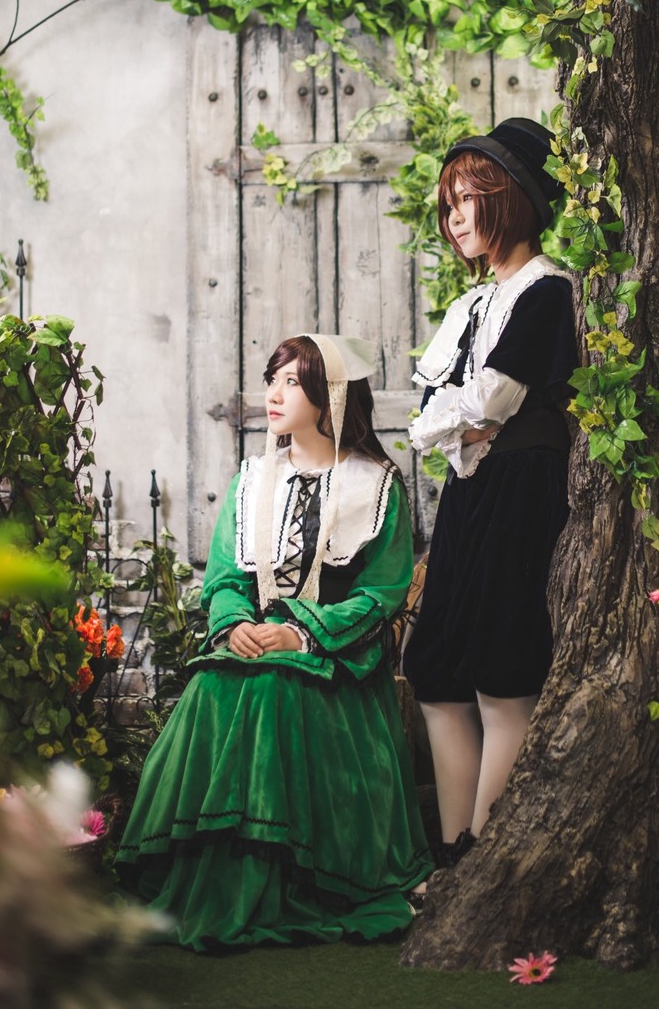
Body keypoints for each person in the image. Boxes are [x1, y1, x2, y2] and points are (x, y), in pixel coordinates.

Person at [116, 333, 431, 950]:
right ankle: (220, 874)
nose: (275, 393)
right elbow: (227, 576)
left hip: (332, 655)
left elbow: (383, 591)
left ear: (329, 396)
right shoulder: (253, 479)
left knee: (277, 692)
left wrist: (301, 633)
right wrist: (236, 627)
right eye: (274, 378)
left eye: (292, 381)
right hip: (252, 637)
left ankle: (298, 875)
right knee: (214, 684)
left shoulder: (376, 484)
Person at [403, 117, 577, 868]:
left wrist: (454, 419)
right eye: (450, 203)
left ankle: (484, 858)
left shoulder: (548, 290)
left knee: (502, 678)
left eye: (473, 197)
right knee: (438, 675)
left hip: (521, 492)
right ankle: (451, 856)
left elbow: (493, 401)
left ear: (516, 201)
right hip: (470, 494)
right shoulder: (472, 306)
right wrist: (452, 421)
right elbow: (433, 415)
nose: (457, 216)